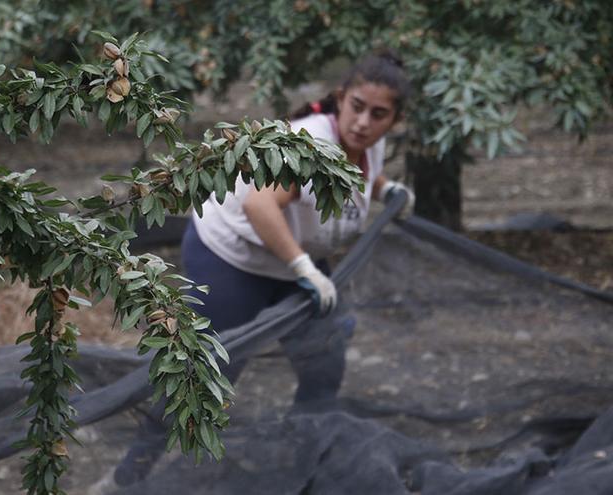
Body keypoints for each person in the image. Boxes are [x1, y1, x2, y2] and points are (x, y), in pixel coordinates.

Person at [114, 49, 414, 486]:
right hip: (232, 254)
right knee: (210, 372)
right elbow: (259, 204)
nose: (364, 122)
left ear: (394, 120)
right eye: (357, 107)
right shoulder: (310, 144)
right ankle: (130, 475)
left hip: (293, 259)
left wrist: (384, 189)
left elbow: (360, 169)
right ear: (340, 98)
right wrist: (304, 269)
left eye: (379, 114)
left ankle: (303, 462)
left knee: (323, 363)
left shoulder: (370, 143)